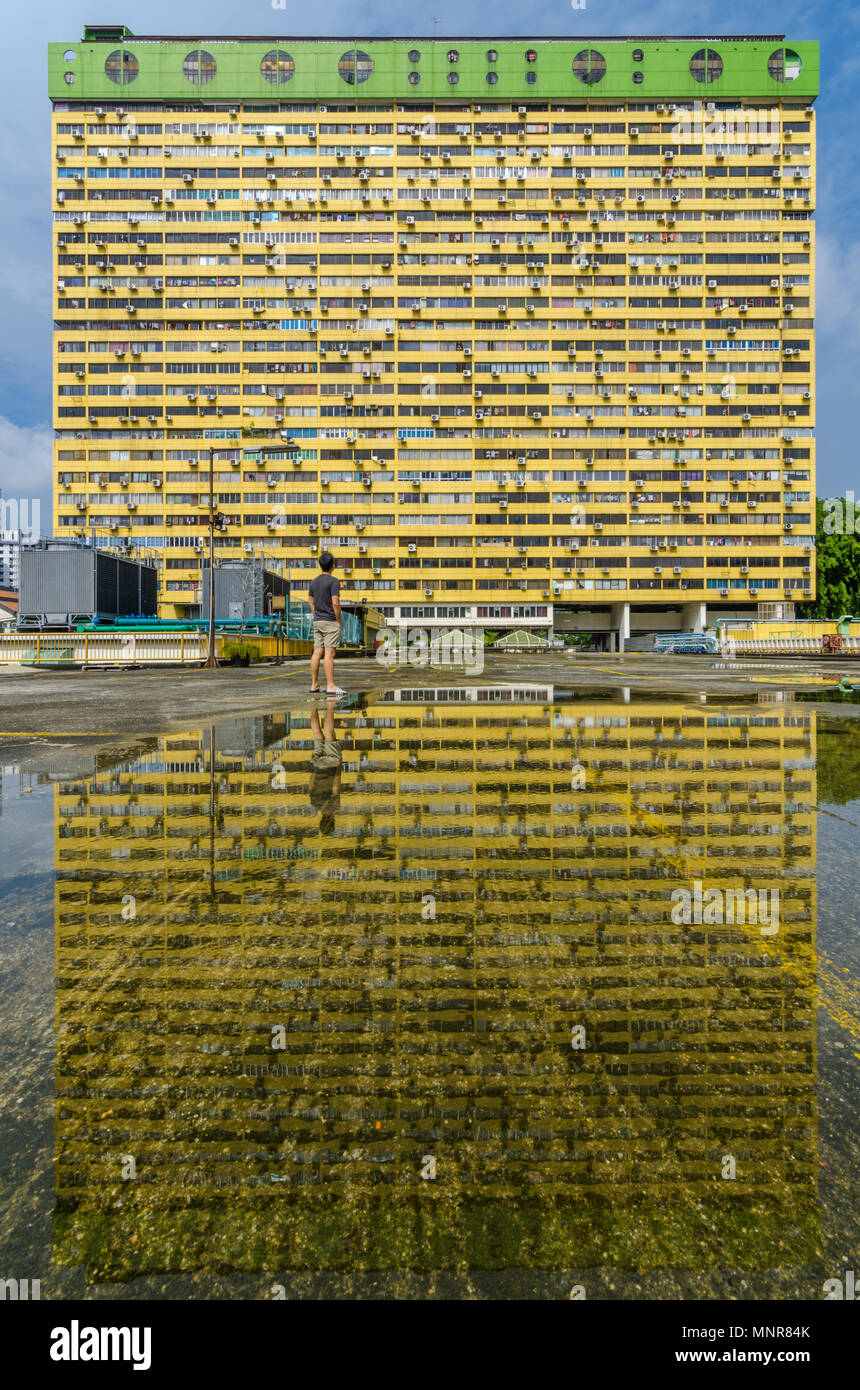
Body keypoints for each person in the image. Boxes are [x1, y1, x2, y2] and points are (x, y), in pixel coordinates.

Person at [308, 550, 345, 697]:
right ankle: (330, 686)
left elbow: (310, 601)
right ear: (333, 566)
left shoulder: (314, 582)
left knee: (317, 652)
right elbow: (335, 603)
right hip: (330, 621)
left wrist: (316, 613)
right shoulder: (334, 581)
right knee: (329, 654)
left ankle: (314, 684)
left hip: (317, 621)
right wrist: (338, 621)